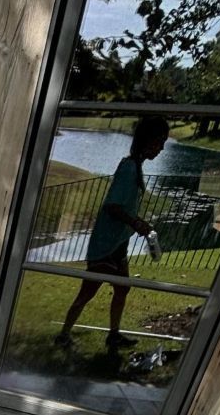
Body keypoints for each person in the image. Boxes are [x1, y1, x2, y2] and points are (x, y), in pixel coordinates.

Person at [56, 115, 169, 351]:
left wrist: (138, 223)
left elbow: (124, 206)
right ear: (147, 140)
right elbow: (112, 206)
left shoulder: (134, 165)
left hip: (118, 244)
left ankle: (114, 335)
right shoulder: (129, 168)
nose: (161, 148)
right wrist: (135, 223)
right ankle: (63, 334)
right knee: (87, 292)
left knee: (122, 288)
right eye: (159, 142)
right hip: (105, 245)